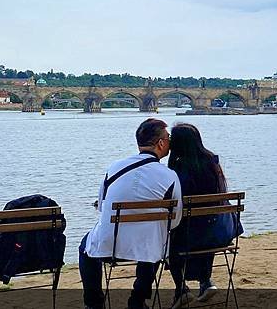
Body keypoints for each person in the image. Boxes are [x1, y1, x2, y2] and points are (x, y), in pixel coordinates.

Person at [79, 118, 182, 309]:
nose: (169, 141)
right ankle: (137, 299)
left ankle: (93, 303)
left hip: (110, 243)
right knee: (152, 241)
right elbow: (174, 220)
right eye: (168, 138)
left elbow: (102, 206)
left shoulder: (114, 167)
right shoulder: (170, 176)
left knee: (85, 248)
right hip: (147, 248)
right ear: (160, 143)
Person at [167, 123, 229, 306]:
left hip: (189, 236)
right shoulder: (212, 161)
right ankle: (205, 281)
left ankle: (181, 289)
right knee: (203, 222)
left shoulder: (178, 168)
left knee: (170, 240)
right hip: (217, 232)